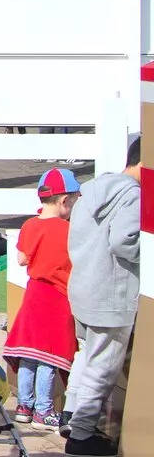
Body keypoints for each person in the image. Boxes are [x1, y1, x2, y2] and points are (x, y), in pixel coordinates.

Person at [62, 134, 141, 456]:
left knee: (87, 356)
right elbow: (125, 241)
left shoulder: (94, 189)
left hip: (84, 287)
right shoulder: (134, 195)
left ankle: (71, 415)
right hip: (112, 292)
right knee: (103, 365)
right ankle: (81, 436)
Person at [2, 167, 82, 430]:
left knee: (29, 353)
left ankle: (24, 407)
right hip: (58, 296)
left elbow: (22, 259)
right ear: (64, 200)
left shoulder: (29, 225)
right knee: (50, 355)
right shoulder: (68, 230)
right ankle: (44, 411)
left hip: (34, 292)